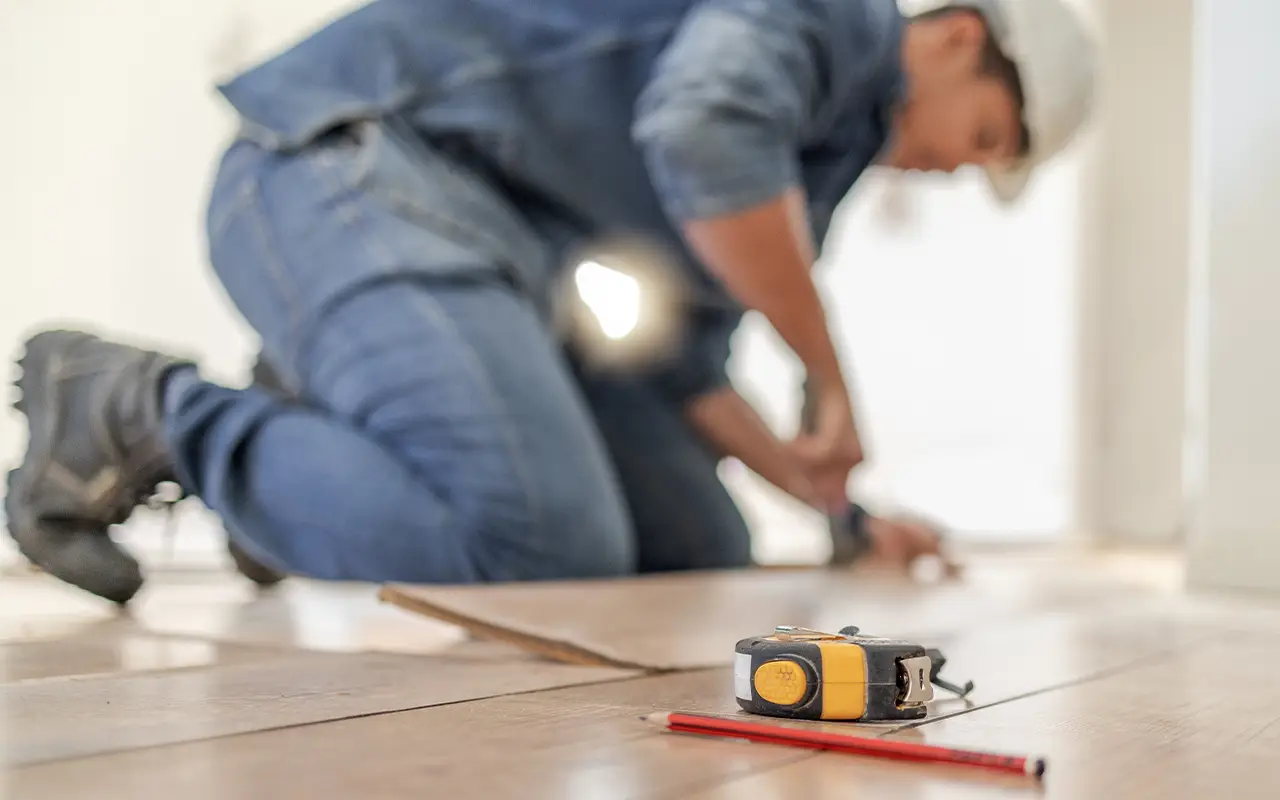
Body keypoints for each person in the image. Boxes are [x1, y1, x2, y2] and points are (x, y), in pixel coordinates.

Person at [5, 0, 1095, 604]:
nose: (958, 170)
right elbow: (700, 130)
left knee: (694, 544)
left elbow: (673, 360)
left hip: (476, 252)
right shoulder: (823, 17)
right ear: (960, 38)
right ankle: (139, 407)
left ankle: (314, 456)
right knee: (534, 540)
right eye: (983, 140)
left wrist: (842, 517)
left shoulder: (815, 164)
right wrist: (825, 371)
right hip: (341, 169)